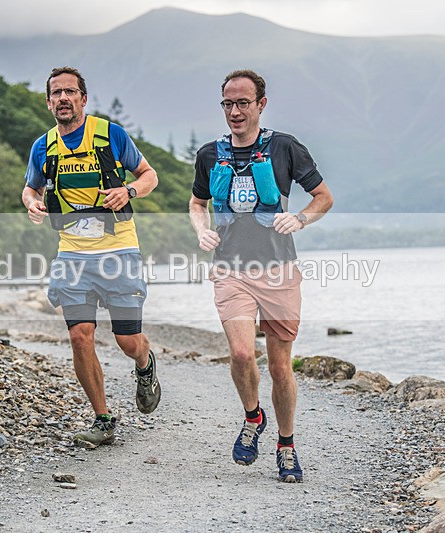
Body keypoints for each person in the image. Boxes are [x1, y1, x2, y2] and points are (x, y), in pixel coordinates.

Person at [189, 69, 334, 482]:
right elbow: (197, 202)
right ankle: (254, 417)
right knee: (239, 354)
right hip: (230, 269)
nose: (234, 111)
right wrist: (201, 229)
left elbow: (324, 197)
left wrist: (300, 219)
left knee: (279, 365)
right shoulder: (209, 154)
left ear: (260, 105)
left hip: (279, 270)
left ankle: (286, 445)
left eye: (243, 103)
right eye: (228, 104)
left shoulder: (285, 147)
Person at [22, 66, 161, 448]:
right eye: (56, 93)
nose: (63, 98)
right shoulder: (42, 146)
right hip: (72, 254)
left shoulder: (111, 134)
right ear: (48, 101)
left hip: (118, 249)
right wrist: (33, 202)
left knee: (127, 340)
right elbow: (30, 188)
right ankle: (103, 420)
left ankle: (145, 364)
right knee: (80, 335)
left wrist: (129, 191)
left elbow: (149, 175)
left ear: (83, 98)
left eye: (71, 91)